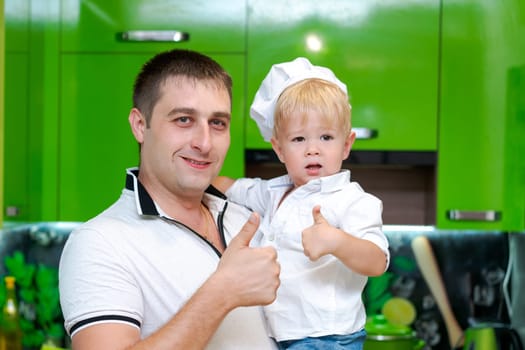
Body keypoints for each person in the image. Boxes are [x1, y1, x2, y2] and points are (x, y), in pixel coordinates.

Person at [58, 49, 281, 350]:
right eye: (184, 119)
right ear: (140, 125)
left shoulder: (244, 218)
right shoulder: (99, 242)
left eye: (217, 123)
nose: (204, 143)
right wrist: (222, 292)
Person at [213, 57, 390, 349]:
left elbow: (377, 261)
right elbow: (229, 186)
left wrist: (336, 241)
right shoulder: (271, 193)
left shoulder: (352, 200)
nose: (312, 150)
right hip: (279, 335)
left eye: (326, 137)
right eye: (298, 139)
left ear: (346, 144)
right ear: (278, 148)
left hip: (327, 339)